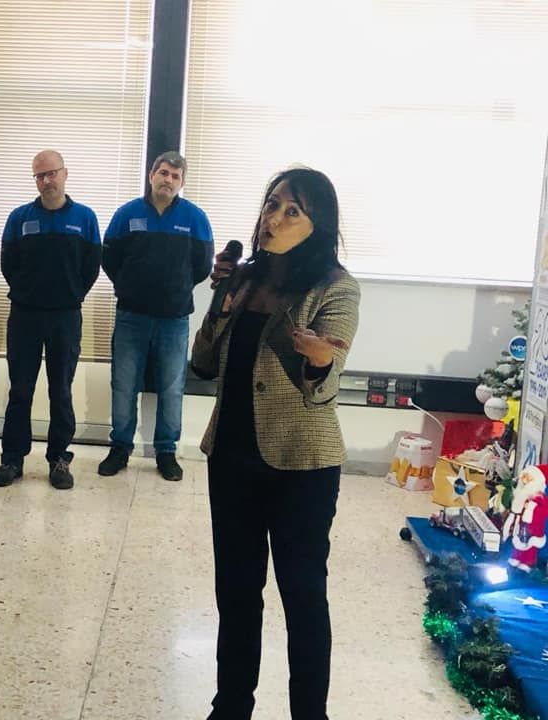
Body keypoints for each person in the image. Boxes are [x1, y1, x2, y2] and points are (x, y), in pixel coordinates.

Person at [190, 167, 360, 720]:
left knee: (303, 596)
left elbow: (322, 386)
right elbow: (203, 362)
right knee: (237, 593)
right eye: (272, 205)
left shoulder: (335, 287)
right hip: (231, 456)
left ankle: (310, 713)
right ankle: (230, 706)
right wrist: (222, 303)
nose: (275, 219)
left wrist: (319, 359)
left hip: (301, 465)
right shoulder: (240, 279)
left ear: (317, 225)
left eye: (293, 211)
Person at [0, 150, 100, 490]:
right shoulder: (19, 218)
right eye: (40, 175)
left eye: (52, 173)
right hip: (25, 315)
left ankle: (59, 459)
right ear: (35, 180)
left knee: (60, 390)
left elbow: (91, 268)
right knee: (20, 389)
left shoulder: (85, 218)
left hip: (65, 316)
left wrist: (69, 294)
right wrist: (30, 292)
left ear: (65, 174)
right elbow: (8, 265)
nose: (47, 180)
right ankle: (12, 459)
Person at [99, 150, 213, 481]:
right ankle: (120, 447)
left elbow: (201, 267)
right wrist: (130, 287)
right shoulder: (127, 214)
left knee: (172, 386)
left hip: (174, 319)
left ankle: (166, 451)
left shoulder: (195, 218)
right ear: (151, 175)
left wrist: (175, 288)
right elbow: (109, 259)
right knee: (124, 384)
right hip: (131, 316)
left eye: (175, 176)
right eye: (163, 173)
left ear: (181, 183)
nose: (168, 180)